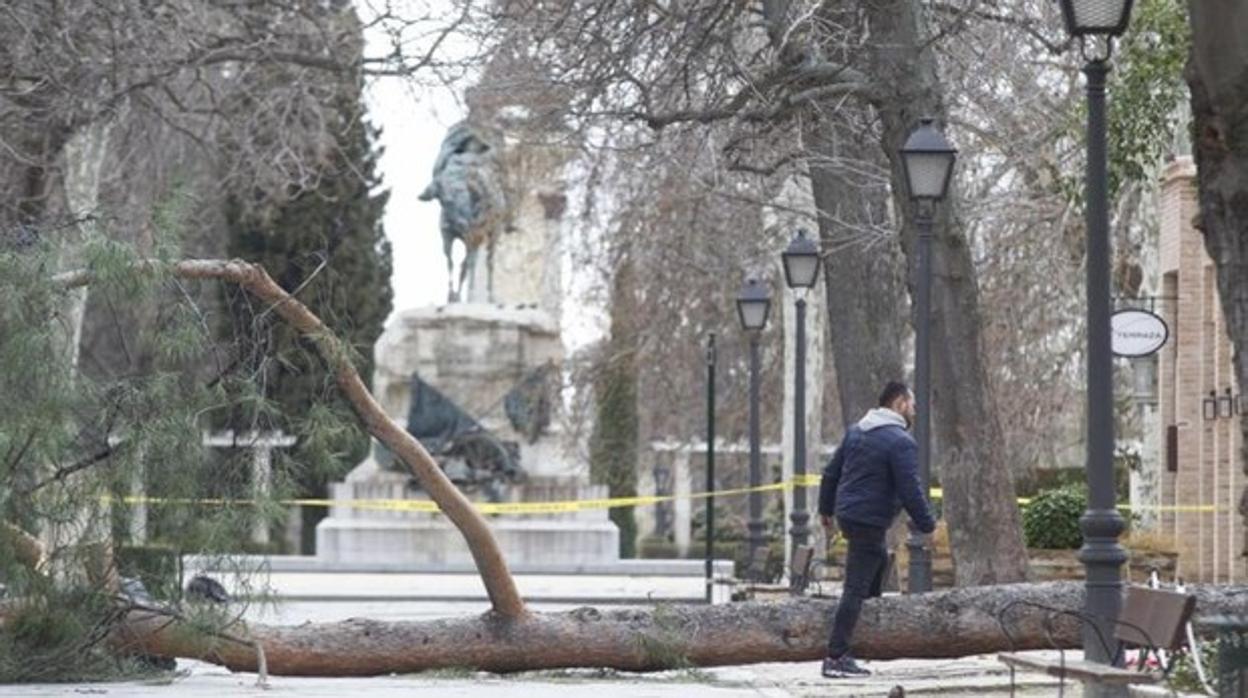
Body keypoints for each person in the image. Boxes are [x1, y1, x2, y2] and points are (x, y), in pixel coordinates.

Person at [817, 381, 936, 679]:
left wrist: (825, 509)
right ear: (899, 403)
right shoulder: (900, 441)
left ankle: (865, 630)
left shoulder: (857, 431)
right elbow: (911, 490)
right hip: (869, 518)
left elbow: (830, 473)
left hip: (850, 514)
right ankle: (836, 656)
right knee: (855, 588)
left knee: (880, 561)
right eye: (912, 403)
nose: (914, 409)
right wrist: (928, 524)